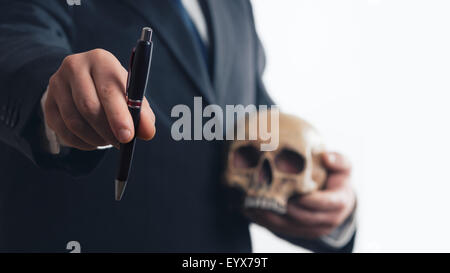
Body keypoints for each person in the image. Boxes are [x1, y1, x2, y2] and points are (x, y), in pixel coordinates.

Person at [0, 0, 356, 252]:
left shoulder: (235, 7)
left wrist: (332, 207)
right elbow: (14, 41)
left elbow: (261, 125)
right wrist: (52, 101)